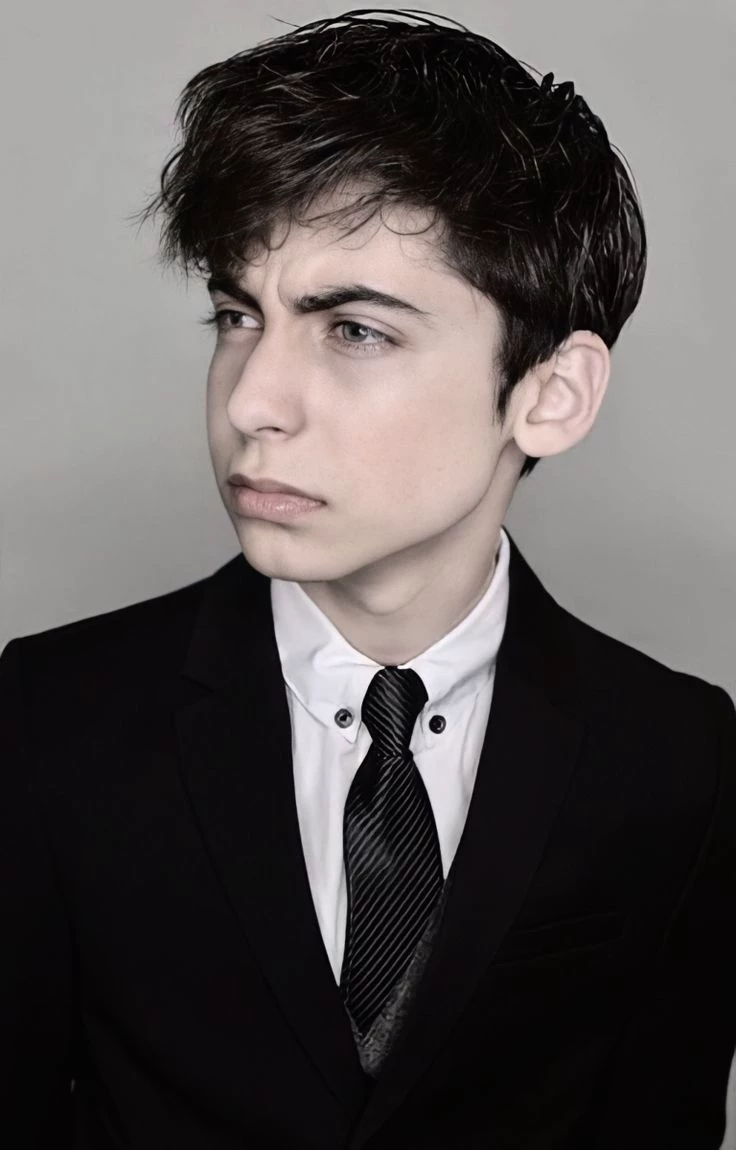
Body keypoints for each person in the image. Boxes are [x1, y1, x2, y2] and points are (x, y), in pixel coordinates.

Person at [1, 8, 734, 1148]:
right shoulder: (50, 720)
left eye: (353, 331)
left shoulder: (679, 756)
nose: (251, 401)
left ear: (551, 395)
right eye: (236, 315)